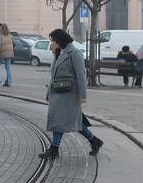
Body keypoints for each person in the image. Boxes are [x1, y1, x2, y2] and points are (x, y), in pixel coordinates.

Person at [39, 28, 103, 159]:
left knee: (60, 120)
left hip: (70, 94)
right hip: (58, 92)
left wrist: (83, 95)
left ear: (60, 40)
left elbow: (81, 75)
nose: (52, 44)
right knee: (76, 122)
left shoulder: (74, 53)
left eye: (53, 41)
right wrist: (48, 93)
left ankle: (54, 149)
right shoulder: (58, 53)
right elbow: (53, 76)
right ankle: (94, 141)